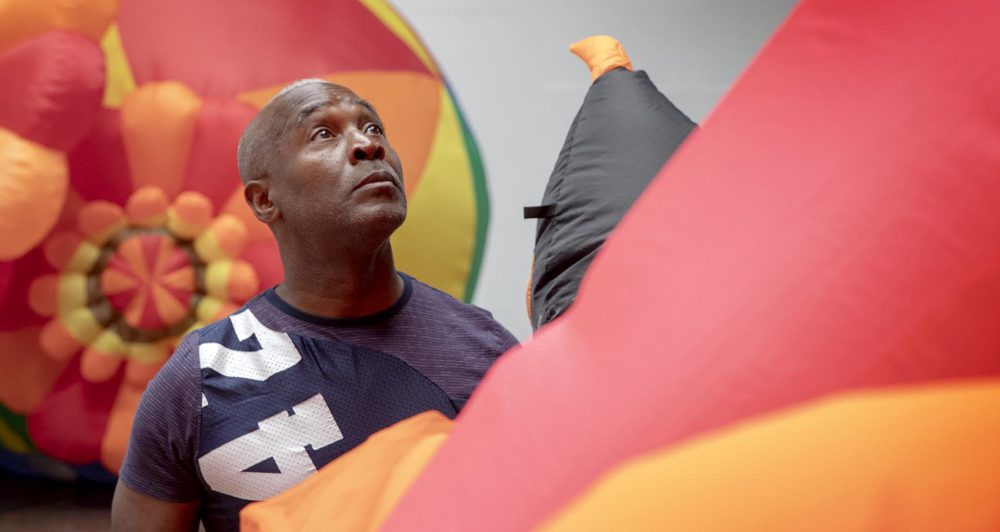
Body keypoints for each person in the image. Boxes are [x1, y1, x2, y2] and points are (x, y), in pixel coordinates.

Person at [111, 79, 519, 531]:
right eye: (323, 134)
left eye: (374, 127)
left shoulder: (486, 350)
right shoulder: (199, 379)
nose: (368, 144)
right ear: (264, 200)